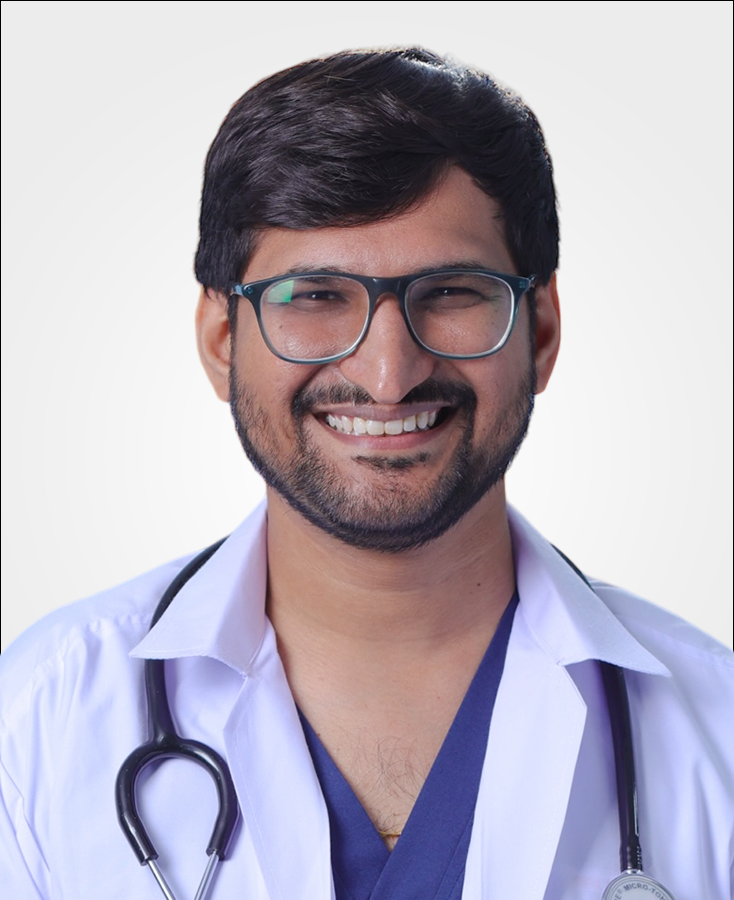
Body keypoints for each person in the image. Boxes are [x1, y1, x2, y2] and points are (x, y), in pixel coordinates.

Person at [0, 47, 731, 900]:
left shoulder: (714, 725)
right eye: (316, 296)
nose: (389, 375)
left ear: (539, 331)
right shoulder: (40, 717)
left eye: (451, 292)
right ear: (222, 341)